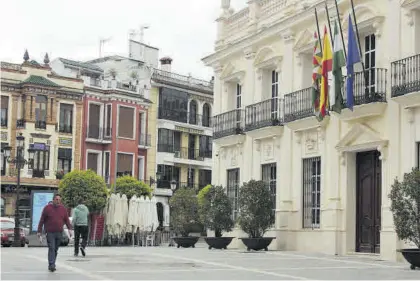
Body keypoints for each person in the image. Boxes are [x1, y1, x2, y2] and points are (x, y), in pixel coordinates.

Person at [37, 194, 72, 272]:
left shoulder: (63, 209)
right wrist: (39, 231)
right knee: (52, 248)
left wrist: (69, 229)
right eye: (56, 199)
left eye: (59, 199)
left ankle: (52, 263)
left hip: (59, 232)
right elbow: (42, 220)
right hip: (50, 232)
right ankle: (52, 265)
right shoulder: (47, 208)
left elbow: (66, 220)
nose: (58, 201)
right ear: (53, 200)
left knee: (55, 249)